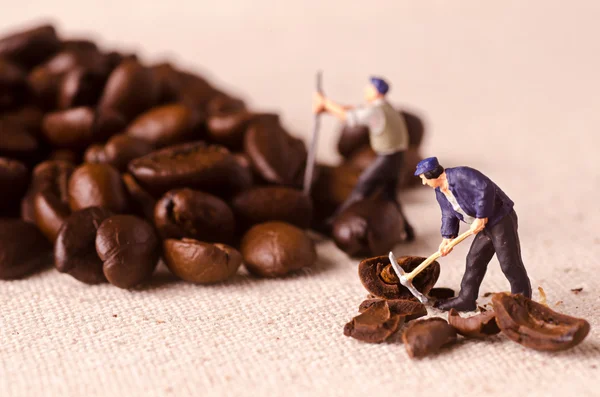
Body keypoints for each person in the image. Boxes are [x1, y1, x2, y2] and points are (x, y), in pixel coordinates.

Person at [415, 157, 532, 311]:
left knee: (508, 263)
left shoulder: (461, 174)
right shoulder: (440, 192)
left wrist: (482, 216)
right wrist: (447, 238)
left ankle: (522, 301)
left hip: (501, 219)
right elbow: (448, 214)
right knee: (474, 260)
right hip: (485, 226)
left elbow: (485, 188)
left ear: (431, 174)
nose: (424, 183)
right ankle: (466, 300)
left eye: (424, 179)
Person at [313, 76, 413, 237]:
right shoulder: (387, 108)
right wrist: (328, 109)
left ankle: (333, 222)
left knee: (362, 187)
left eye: (369, 89)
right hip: (397, 158)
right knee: (390, 196)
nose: (365, 91)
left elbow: (349, 117)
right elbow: (353, 110)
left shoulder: (376, 111)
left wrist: (325, 102)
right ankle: (408, 230)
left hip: (386, 158)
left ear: (376, 92)